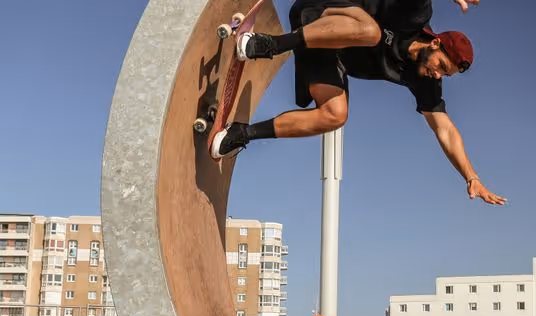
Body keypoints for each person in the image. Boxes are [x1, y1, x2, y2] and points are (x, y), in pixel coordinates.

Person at [210, 0, 506, 206]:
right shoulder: (415, 15)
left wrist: (471, 176)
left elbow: (445, 129)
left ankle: (239, 134)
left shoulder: (424, 81)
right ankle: (266, 45)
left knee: (335, 115)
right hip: (323, 10)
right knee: (372, 32)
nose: (437, 74)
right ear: (436, 43)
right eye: (441, 66)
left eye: (445, 74)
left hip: (325, 52)